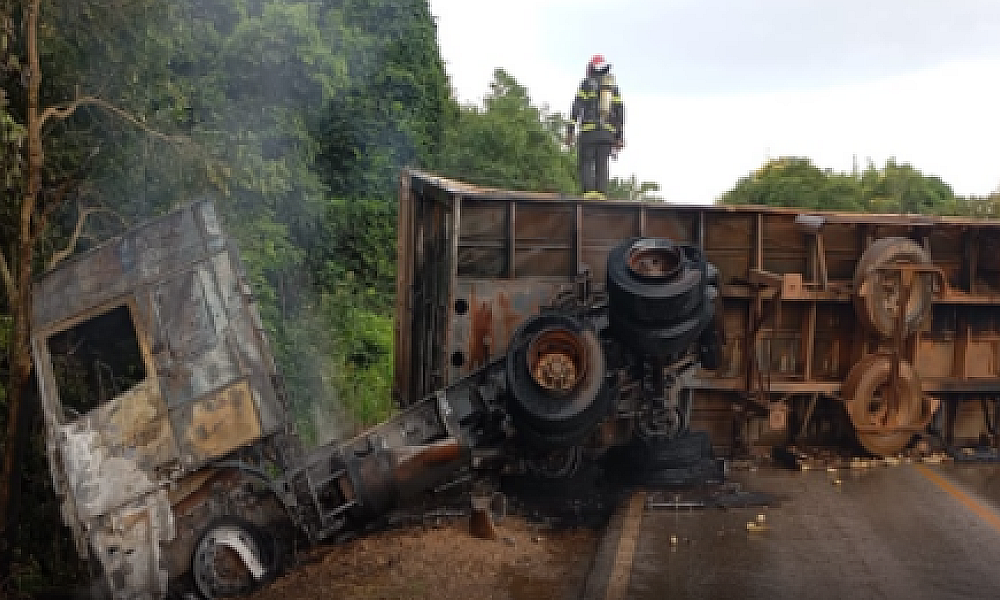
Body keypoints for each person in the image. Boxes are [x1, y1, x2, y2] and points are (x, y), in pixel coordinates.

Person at [565, 54, 624, 198]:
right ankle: (601, 194)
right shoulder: (613, 88)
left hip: (588, 132)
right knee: (602, 164)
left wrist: (570, 131)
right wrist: (618, 137)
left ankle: (589, 193)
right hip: (607, 134)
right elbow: (620, 112)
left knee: (586, 162)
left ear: (591, 68)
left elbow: (577, 106)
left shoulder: (586, 83)